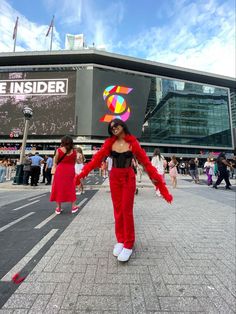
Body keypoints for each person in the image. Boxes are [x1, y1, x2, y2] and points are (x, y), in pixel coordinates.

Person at [75, 119, 173, 262]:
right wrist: (81, 175)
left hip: (128, 178)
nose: (114, 129)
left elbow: (145, 163)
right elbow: (96, 161)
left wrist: (157, 182)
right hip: (114, 177)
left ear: (122, 126)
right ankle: (120, 240)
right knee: (117, 210)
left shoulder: (133, 143)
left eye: (116, 126)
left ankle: (129, 243)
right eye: (111, 128)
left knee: (127, 210)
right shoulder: (109, 144)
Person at [50, 136, 79, 214]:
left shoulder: (59, 150)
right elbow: (75, 162)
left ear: (62, 142)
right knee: (71, 187)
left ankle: (58, 208)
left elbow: (55, 162)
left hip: (60, 170)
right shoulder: (74, 151)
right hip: (70, 170)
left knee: (58, 187)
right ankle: (73, 207)